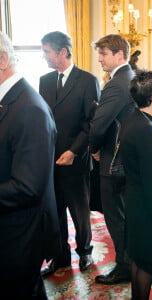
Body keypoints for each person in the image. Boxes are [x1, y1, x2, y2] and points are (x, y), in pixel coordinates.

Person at [0, 32, 60, 299]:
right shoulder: (11, 101)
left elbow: (27, 187)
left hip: (19, 235)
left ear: (2, 59)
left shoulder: (28, 108)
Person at [39, 31, 100, 276]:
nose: (44, 56)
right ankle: (60, 256)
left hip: (76, 160)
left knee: (79, 210)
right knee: (55, 210)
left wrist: (73, 151)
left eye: (46, 51)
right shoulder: (44, 80)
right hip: (50, 159)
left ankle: (85, 251)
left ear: (62, 52)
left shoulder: (87, 80)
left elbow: (91, 123)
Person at [119, 70, 152, 300]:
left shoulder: (133, 119)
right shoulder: (147, 130)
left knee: (138, 259)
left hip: (134, 202)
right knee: (147, 263)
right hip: (147, 209)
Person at [90, 34, 135, 284]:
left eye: (104, 53)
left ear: (119, 55)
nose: (100, 59)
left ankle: (124, 266)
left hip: (113, 160)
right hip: (124, 159)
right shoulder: (127, 78)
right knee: (122, 215)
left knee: (116, 217)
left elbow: (99, 124)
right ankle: (128, 261)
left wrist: (94, 149)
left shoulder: (118, 82)